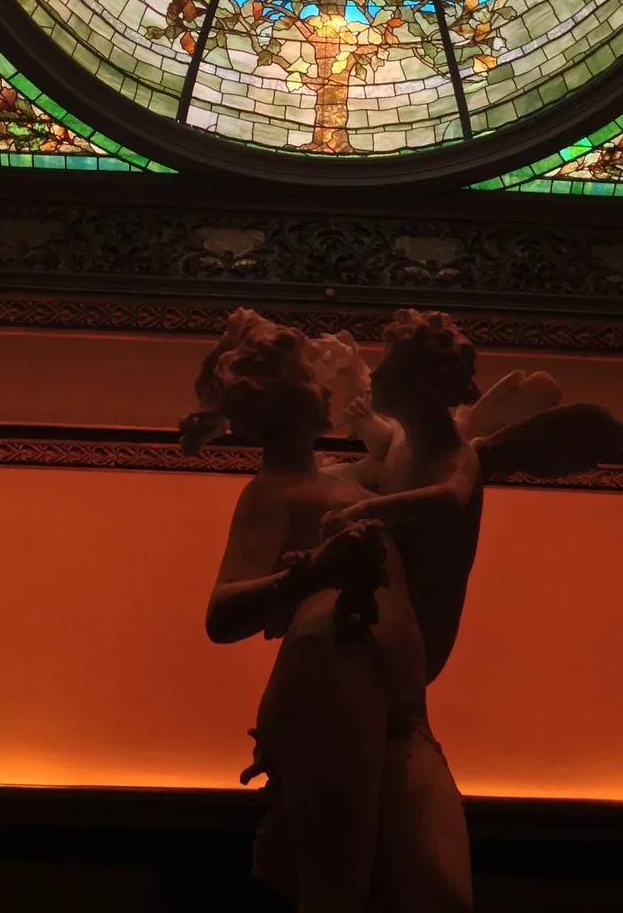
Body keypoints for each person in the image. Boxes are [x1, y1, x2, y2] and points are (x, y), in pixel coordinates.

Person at [182, 308, 472, 913]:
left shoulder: (348, 479)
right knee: (337, 891)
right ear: (284, 402)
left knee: (437, 889)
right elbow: (222, 614)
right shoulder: (272, 492)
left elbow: (429, 462)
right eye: (310, 380)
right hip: (335, 664)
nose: (325, 389)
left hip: (402, 695)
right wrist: (315, 571)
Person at [320, 309, 623, 684]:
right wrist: (364, 429)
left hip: (422, 621)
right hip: (387, 597)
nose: (375, 376)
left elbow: (448, 498)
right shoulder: (404, 439)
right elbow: (387, 447)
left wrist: (366, 508)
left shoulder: (457, 455)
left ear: (422, 388)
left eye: (387, 370)